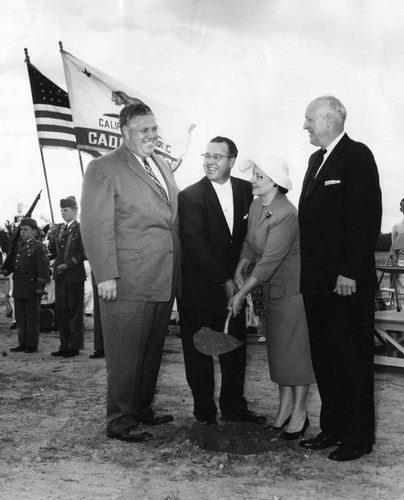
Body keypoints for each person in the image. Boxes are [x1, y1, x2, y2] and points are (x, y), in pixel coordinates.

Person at [80, 103, 181, 443]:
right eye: (144, 130)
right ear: (125, 132)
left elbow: (170, 221)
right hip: (126, 279)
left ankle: (141, 407)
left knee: (151, 351)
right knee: (125, 355)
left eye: (154, 129)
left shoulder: (162, 166)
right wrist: (105, 274)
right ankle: (120, 420)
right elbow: (95, 225)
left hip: (162, 276)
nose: (152, 135)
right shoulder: (103, 167)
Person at [298, 96, 382, 462]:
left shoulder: (357, 156)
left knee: (352, 360)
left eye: (309, 119)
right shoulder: (316, 160)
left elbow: (364, 218)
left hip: (346, 283)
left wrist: (349, 270)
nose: (305, 126)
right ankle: (332, 428)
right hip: (317, 285)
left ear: (331, 120)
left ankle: (358, 437)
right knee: (326, 359)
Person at [178, 136, 265, 426]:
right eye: (207, 155)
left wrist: (240, 274)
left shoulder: (244, 190)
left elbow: (246, 238)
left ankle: (233, 408)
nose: (210, 161)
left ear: (231, 161)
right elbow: (196, 246)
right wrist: (226, 281)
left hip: (234, 287)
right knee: (200, 351)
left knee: (234, 347)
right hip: (199, 290)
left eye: (217, 156)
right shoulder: (190, 196)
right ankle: (204, 412)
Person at [229, 155, 315, 439]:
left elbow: (269, 261)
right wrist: (242, 263)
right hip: (272, 293)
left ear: (276, 183)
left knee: (296, 357)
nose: (252, 180)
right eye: (254, 174)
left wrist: (241, 293)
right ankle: (283, 410)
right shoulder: (257, 206)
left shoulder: (286, 214)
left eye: (259, 177)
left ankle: (300, 414)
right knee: (279, 355)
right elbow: (250, 243)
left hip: (292, 294)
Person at [1, 218, 49, 353]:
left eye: (25, 229)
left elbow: (43, 268)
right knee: (21, 318)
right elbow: (14, 264)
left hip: (32, 287)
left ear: (34, 231)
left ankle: (32, 344)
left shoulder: (39, 246)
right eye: (21, 229)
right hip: (19, 286)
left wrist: (40, 286)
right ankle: (22, 343)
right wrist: (6, 270)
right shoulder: (18, 246)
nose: (22, 232)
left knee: (32, 318)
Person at [48, 196, 86, 358]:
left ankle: (73, 346)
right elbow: (55, 252)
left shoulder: (81, 229)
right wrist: (51, 237)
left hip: (74, 275)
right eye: (62, 210)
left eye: (66, 210)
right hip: (61, 277)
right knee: (61, 311)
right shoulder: (59, 229)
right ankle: (64, 345)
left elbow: (85, 252)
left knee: (74, 312)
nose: (63, 213)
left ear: (75, 211)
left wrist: (68, 264)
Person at [391, 197, 404, 297]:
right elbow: (393, 248)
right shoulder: (396, 226)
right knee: (402, 292)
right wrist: (394, 265)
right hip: (401, 263)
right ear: (401, 209)